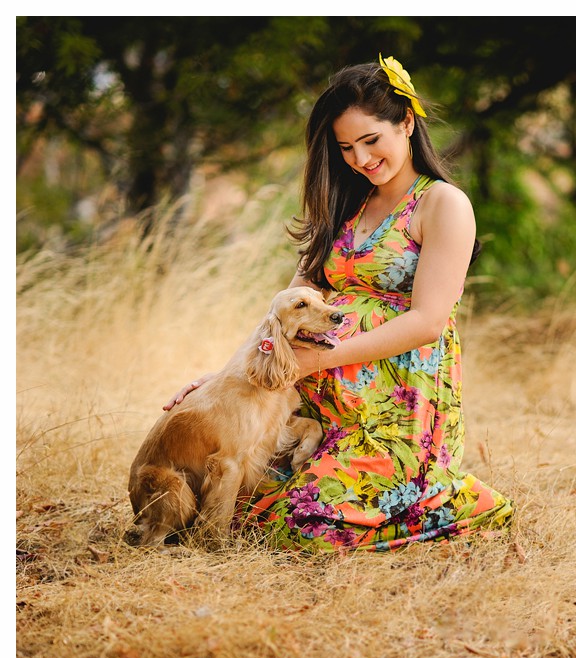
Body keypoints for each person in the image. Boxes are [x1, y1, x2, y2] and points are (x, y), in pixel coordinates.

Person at [165, 56, 514, 551]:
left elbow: (428, 322)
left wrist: (319, 359)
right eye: (347, 147)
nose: (360, 159)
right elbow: (286, 306)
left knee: (304, 524)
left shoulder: (442, 204)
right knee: (228, 502)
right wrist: (231, 375)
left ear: (407, 123)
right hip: (313, 404)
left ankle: (449, 500)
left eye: (371, 141)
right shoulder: (346, 204)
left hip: (391, 414)